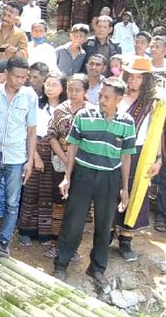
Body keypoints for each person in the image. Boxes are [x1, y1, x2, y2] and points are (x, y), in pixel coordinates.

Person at [53, 78, 135, 293]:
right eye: (100, 95)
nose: (102, 100)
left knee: (104, 225)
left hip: (110, 178)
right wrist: (67, 177)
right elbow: (72, 147)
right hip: (83, 174)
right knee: (73, 222)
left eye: (107, 97)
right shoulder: (84, 116)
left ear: (119, 99)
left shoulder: (127, 122)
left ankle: (97, 268)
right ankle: (61, 263)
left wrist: (124, 188)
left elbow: (126, 157)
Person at [0, 57, 37, 257]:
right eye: (16, 76)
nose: (20, 80)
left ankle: (4, 242)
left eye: (23, 77)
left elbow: (31, 131)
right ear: (8, 74)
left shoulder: (30, 96)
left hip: (16, 157)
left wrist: (29, 161)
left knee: (12, 202)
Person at [113, 57, 161, 261]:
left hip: (140, 152)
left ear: (146, 79)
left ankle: (126, 238)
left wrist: (158, 159)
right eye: (131, 76)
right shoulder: (116, 95)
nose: (133, 81)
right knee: (111, 190)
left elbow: (156, 132)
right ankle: (107, 233)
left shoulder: (155, 102)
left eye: (138, 77)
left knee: (136, 194)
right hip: (114, 149)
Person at [44, 74, 91, 260]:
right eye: (70, 89)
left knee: (77, 206)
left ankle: (72, 247)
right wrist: (66, 159)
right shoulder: (60, 110)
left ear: (85, 91)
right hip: (60, 163)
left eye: (77, 90)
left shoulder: (91, 112)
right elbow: (51, 136)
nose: (72, 93)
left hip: (84, 164)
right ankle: (56, 244)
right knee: (58, 203)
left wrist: (75, 161)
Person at [18, 71, 66, 247]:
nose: (50, 88)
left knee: (51, 193)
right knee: (31, 191)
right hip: (36, 149)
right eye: (47, 84)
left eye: (54, 84)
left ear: (63, 88)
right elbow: (25, 130)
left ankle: (48, 233)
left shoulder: (66, 108)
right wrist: (34, 156)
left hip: (59, 155)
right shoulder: (35, 104)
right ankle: (26, 231)